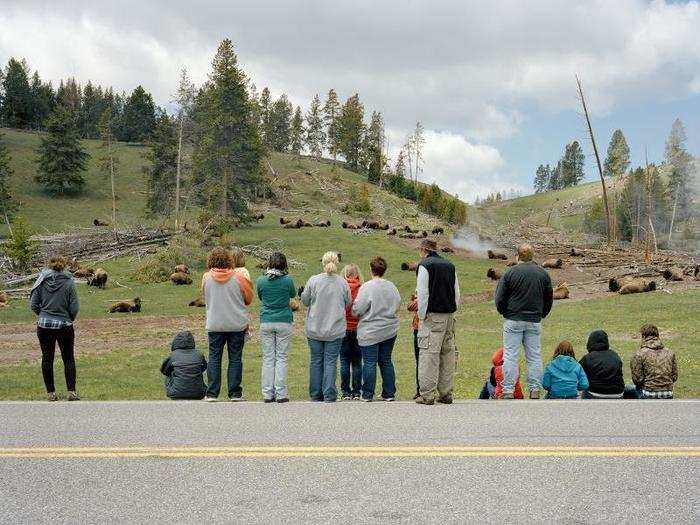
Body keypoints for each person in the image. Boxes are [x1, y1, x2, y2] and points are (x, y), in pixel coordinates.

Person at [494, 243, 553, 399]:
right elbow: (549, 299)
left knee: (510, 356)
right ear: (532, 256)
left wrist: (504, 312)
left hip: (513, 319)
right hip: (534, 319)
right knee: (534, 356)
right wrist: (541, 314)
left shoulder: (510, 273)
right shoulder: (543, 274)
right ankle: (534, 390)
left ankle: (508, 390)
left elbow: (500, 298)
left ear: (517, 256)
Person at [201, 247, 253, 402]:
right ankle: (235, 393)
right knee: (235, 358)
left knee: (214, 357)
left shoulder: (206, 277)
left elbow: (204, 295)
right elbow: (249, 299)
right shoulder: (239, 278)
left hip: (215, 323)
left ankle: (212, 393)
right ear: (229, 260)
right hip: (236, 323)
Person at [414, 239, 460, 405]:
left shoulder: (425, 266)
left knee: (429, 355)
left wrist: (421, 315)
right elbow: (457, 293)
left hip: (432, 315)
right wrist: (453, 311)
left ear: (423, 250)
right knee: (447, 354)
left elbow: (423, 293)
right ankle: (446, 392)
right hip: (449, 315)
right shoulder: (450, 265)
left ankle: (427, 394)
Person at [300, 251, 351, 402]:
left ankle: (315, 394)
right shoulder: (342, 282)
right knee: (330, 361)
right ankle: (329, 393)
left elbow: (306, 301)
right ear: (337, 262)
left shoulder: (313, 280)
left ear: (323, 262)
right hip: (334, 328)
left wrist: (302, 294)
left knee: (316, 360)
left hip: (315, 327)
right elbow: (348, 303)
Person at [29, 255, 80, 401]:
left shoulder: (41, 281)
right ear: (64, 265)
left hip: (44, 325)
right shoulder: (69, 282)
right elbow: (75, 306)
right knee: (68, 358)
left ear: (48, 265)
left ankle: (51, 394)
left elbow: (33, 304)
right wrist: (69, 318)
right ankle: (72, 392)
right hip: (64, 325)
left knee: (47, 358)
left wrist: (43, 314)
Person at [352, 257, 401, 402]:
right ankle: (389, 393)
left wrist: (356, 310)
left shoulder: (367, 287)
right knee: (386, 360)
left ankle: (367, 394)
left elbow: (358, 309)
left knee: (369, 362)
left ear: (371, 269)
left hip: (370, 329)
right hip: (389, 328)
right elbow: (398, 303)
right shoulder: (392, 286)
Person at [256, 252, 297, 403]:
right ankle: (280, 393)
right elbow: (292, 294)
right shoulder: (287, 280)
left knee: (268, 358)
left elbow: (260, 296)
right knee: (281, 357)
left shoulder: (261, 280)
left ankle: (267, 393)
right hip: (283, 320)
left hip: (266, 319)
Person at [631, 324, 678, 399]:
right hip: (668, 393)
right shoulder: (670, 352)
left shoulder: (639, 354)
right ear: (657, 336)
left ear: (643, 337)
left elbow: (637, 380)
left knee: (629, 390)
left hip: (648, 393)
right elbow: (674, 377)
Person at [160, 330, 208, 400]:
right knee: (198, 372)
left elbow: (164, 371)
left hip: (176, 393)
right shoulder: (199, 355)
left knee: (169, 374)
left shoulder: (173, 355)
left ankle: (177, 390)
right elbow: (204, 368)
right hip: (198, 393)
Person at [340, 264, 363, 400]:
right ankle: (356, 391)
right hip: (357, 327)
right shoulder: (362, 288)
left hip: (343, 327)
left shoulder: (341, 288)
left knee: (344, 361)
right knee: (357, 361)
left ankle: (345, 392)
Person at [579, 330, 624, 399]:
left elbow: (580, 377)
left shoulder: (587, 358)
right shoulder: (615, 355)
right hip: (618, 393)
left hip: (595, 393)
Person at [407, 291, 420, 399]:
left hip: (421, 327)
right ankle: (419, 389)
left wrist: (416, 301)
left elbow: (414, 304)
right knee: (419, 361)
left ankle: (422, 389)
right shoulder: (418, 289)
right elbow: (410, 306)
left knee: (421, 360)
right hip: (417, 327)